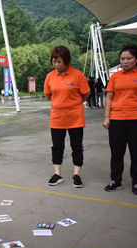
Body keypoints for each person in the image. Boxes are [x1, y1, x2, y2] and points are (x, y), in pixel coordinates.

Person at [102, 45, 137, 195]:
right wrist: (107, 117)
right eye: (122, 59)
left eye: (129, 58)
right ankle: (116, 180)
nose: (125, 61)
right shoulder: (115, 77)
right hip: (117, 119)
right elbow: (109, 97)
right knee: (116, 152)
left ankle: (136, 181)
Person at [44, 46, 90, 188]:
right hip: (57, 118)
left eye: (59, 61)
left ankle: (77, 174)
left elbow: (86, 93)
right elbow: (47, 94)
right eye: (54, 61)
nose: (56, 64)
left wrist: (74, 103)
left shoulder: (77, 75)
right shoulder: (50, 76)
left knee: (76, 146)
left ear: (67, 60)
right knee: (57, 146)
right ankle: (57, 174)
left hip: (75, 117)